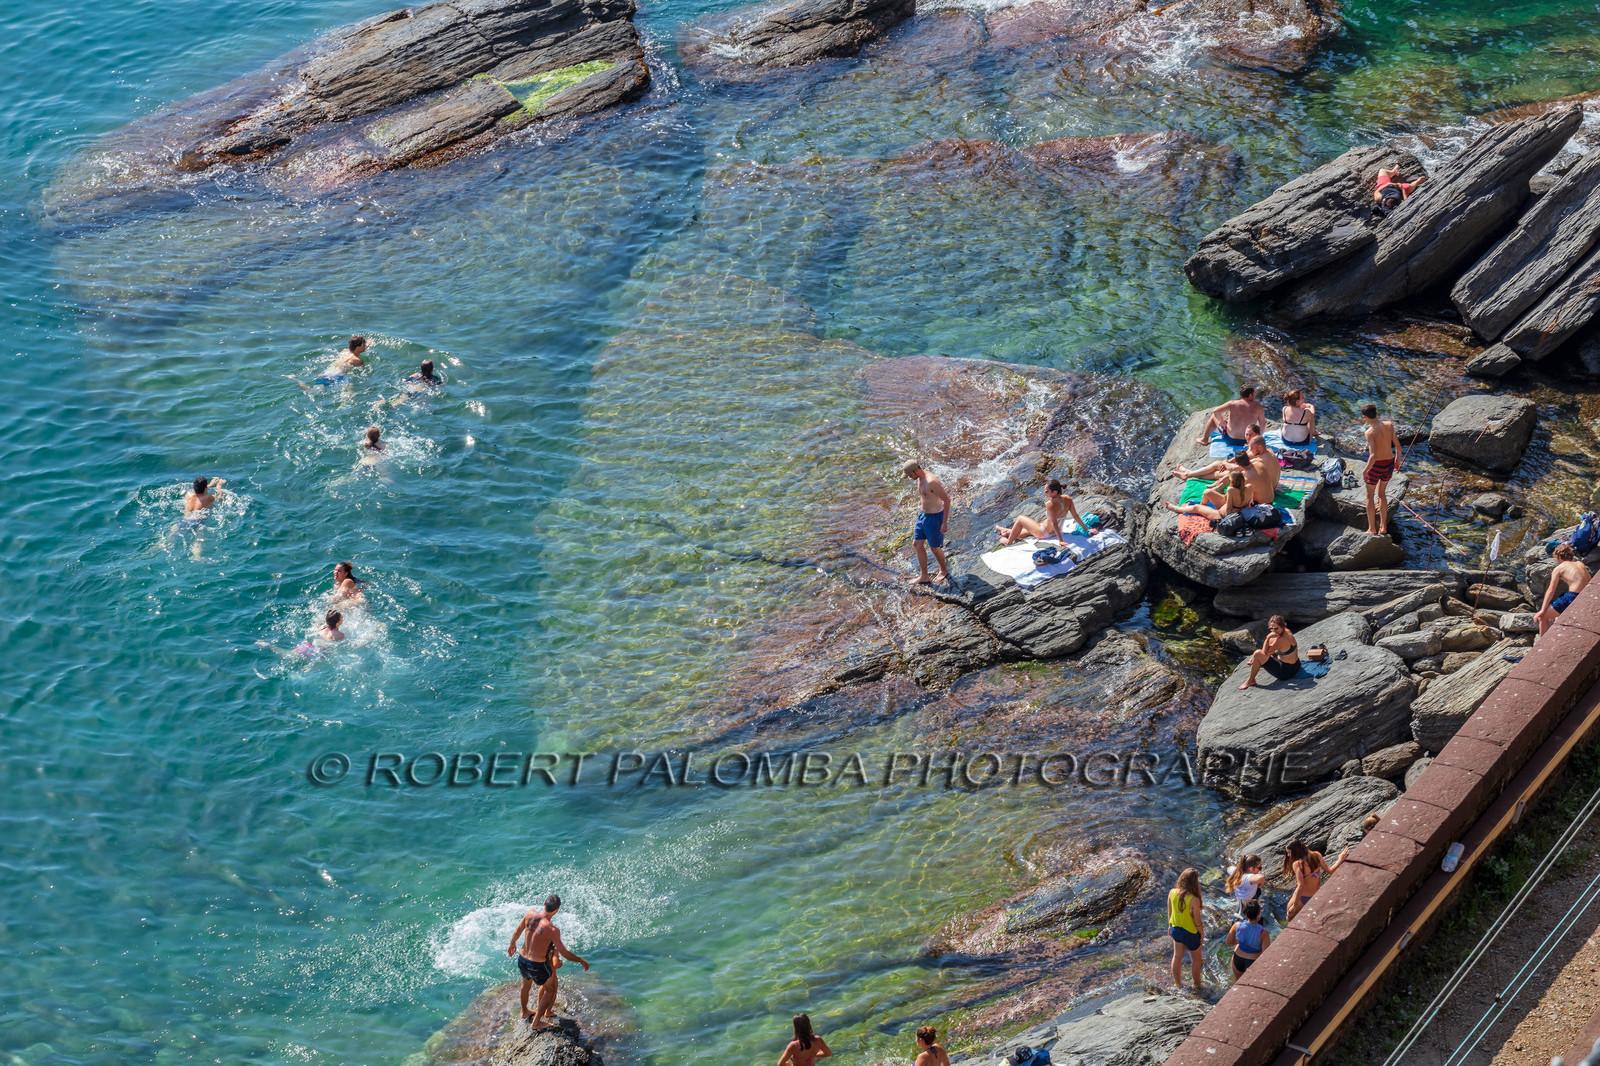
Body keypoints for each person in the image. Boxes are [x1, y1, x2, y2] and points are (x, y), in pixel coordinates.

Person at [506, 894, 590, 1030]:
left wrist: (512, 944)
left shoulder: (530, 914)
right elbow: (564, 953)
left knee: (525, 985)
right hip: (537, 965)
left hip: (522, 958)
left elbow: (517, 930)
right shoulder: (552, 930)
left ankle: (524, 1011)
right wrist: (580, 960)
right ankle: (537, 1022)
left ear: (544, 903)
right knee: (550, 990)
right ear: (557, 910)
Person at [1176, 431, 1278, 507]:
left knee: (1221, 471)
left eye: (1252, 448)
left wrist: (1226, 465)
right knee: (1223, 470)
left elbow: (1239, 468)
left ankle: (1189, 475)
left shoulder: (1259, 462)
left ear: (1260, 447)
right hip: (1269, 489)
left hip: (1262, 498)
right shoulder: (1267, 453)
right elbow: (1246, 459)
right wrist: (1229, 463)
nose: (1250, 451)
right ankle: (1189, 474)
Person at [1239, 615, 1327, 690]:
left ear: (1282, 626)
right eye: (1271, 628)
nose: (1273, 630)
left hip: (1285, 672)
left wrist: (1268, 637)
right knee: (1258, 654)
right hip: (1296, 665)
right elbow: (1271, 650)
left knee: (1258, 653)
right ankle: (1255, 660)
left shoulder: (1281, 639)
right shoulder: (1286, 632)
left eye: (1276, 628)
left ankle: (1251, 681)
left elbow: (1265, 652)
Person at [996, 478, 1087, 544]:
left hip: (1044, 533)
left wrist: (1061, 541)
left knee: (1020, 519)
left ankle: (1008, 542)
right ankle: (1007, 531)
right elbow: (1075, 516)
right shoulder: (1068, 498)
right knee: (1028, 530)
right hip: (1055, 530)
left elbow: (1054, 523)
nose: (1044, 493)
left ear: (1054, 492)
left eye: (1047, 491)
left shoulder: (1050, 504)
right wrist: (1087, 529)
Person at [903, 460, 951, 585]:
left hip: (935, 517)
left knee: (934, 548)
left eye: (910, 475)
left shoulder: (932, 482)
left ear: (916, 470)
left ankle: (944, 570)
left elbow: (946, 500)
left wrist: (944, 522)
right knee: (917, 545)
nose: (910, 477)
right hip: (922, 515)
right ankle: (924, 576)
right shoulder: (919, 478)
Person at [1360, 403, 1401, 536]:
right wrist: (1397, 461)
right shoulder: (1389, 425)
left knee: (1370, 496)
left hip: (1376, 466)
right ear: (1377, 413)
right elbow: (1398, 447)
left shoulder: (1369, 432)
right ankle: (1383, 527)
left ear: (1364, 417)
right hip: (1389, 464)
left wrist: (1365, 470)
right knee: (1382, 495)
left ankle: (1372, 528)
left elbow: (1373, 456)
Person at [1537, 543, 1593, 635]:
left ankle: (1542, 646)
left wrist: (1542, 610)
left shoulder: (1559, 568)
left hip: (1572, 596)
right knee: (1558, 615)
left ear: (1559, 557)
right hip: (1585, 596)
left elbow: (1551, 590)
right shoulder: (1580, 564)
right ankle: (1558, 635)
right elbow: (1589, 581)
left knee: (1542, 618)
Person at [256, 610, 345, 662]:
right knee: (316, 664)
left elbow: (316, 629)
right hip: (317, 652)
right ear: (338, 622)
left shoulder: (322, 628)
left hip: (306, 646)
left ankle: (267, 645)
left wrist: (316, 625)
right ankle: (307, 671)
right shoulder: (340, 635)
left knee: (287, 654)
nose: (343, 618)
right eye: (341, 618)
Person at [1168, 867, 1204, 991]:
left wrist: (1170, 926)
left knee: (1177, 957)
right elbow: (1197, 921)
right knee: (1196, 960)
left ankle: (1177, 984)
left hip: (1176, 929)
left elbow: (1170, 911)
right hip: (1191, 933)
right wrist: (1202, 933)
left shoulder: (1172, 892)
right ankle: (1197, 985)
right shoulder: (1194, 899)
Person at [1196, 386, 1267, 448]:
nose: (1254, 396)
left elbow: (1215, 411)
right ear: (1250, 395)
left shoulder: (1232, 404)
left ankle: (1204, 440)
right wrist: (1258, 437)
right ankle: (1204, 439)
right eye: (1254, 394)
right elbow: (1263, 424)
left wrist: (1222, 422)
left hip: (1229, 439)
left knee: (1213, 416)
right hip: (1248, 441)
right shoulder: (1258, 406)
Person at [1165, 470, 1247, 521]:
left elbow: (1229, 508)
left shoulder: (1231, 490)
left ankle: (1177, 509)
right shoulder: (1248, 488)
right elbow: (1248, 504)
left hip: (1222, 514)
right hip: (1238, 509)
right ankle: (1202, 505)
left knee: (1196, 507)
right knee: (1207, 492)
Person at [1284, 840, 1330, 921]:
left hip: (1302, 897)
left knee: (1290, 918)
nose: (1288, 855)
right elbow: (1330, 871)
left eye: (1290, 853)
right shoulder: (1316, 855)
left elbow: (1300, 886)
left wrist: (1295, 905)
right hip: (1315, 895)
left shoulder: (1297, 864)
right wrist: (1340, 859)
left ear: (1296, 851)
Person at [1226, 900, 1270, 981]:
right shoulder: (1264, 933)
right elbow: (1266, 955)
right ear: (1259, 915)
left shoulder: (1237, 925)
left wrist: (1241, 942)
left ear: (1246, 913)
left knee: (1238, 982)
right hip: (1253, 961)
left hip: (1238, 959)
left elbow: (1229, 942)